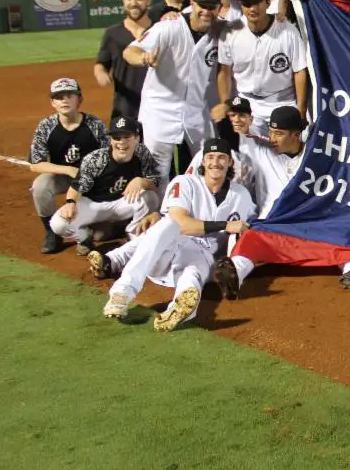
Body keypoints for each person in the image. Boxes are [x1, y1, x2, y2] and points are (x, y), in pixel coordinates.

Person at [213, 106, 350, 298]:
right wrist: (226, 111)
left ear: (296, 135)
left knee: (338, 233)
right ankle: (234, 278)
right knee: (250, 237)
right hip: (272, 227)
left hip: (306, 227)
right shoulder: (261, 150)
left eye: (279, 133)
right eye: (271, 132)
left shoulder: (316, 157)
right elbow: (238, 130)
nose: (272, 138)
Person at [100, 138, 256, 332]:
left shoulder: (241, 195)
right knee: (169, 223)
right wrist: (226, 225)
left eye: (222, 157)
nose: (215, 162)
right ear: (203, 161)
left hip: (201, 258)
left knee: (192, 274)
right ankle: (123, 292)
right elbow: (182, 224)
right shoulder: (185, 182)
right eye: (211, 157)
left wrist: (237, 267)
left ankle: (181, 309)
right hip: (165, 255)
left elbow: (247, 230)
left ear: (230, 162)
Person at [123, 0, 224, 189]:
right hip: (160, 111)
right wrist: (143, 58)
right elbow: (130, 51)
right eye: (202, 5)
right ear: (193, 4)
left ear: (219, 8)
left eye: (212, 6)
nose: (206, 11)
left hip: (197, 111)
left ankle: (199, 211)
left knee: (208, 162)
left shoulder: (221, 30)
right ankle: (159, 216)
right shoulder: (168, 27)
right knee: (157, 171)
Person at [49, 115, 160, 258]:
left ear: (137, 138)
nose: (121, 142)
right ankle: (85, 238)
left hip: (122, 203)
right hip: (92, 205)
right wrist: (70, 203)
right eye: (117, 137)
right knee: (58, 224)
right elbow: (77, 186)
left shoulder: (142, 153)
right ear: (110, 140)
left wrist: (141, 181)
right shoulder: (96, 159)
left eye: (127, 137)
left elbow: (155, 182)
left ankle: (133, 232)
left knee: (151, 198)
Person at [215, 0, 309, 136]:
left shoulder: (288, 30)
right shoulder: (231, 31)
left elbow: (299, 71)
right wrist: (225, 104)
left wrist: (301, 110)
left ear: (267, 3)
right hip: (246, 103)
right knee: (245, 156)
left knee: (289, 155)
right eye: (247, 4)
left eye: (257, 3)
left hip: (282, 101)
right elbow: (224, 71)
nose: (252, 8)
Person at [29, 77, 108, 253]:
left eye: (69, 95)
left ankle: (89, 230)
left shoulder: (94, 125)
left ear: (79, 99)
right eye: (59, 97)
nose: (64, 100)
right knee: (40, 186)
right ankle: (52, 232)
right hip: (63, 176)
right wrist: (68, 169)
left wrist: (88, 174)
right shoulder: (46, 126)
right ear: (52, 103)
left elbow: (109, 157)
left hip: (93, 180)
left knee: (102, 235)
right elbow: (35, 164)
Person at [93, 0, 151, 120]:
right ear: (123, 1)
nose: (133, 3)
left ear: (148, 0)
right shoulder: (112, 33)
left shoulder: (160, 30)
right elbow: (102, 63)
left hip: (155, 108)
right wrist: (100, 73)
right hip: (124, 107)